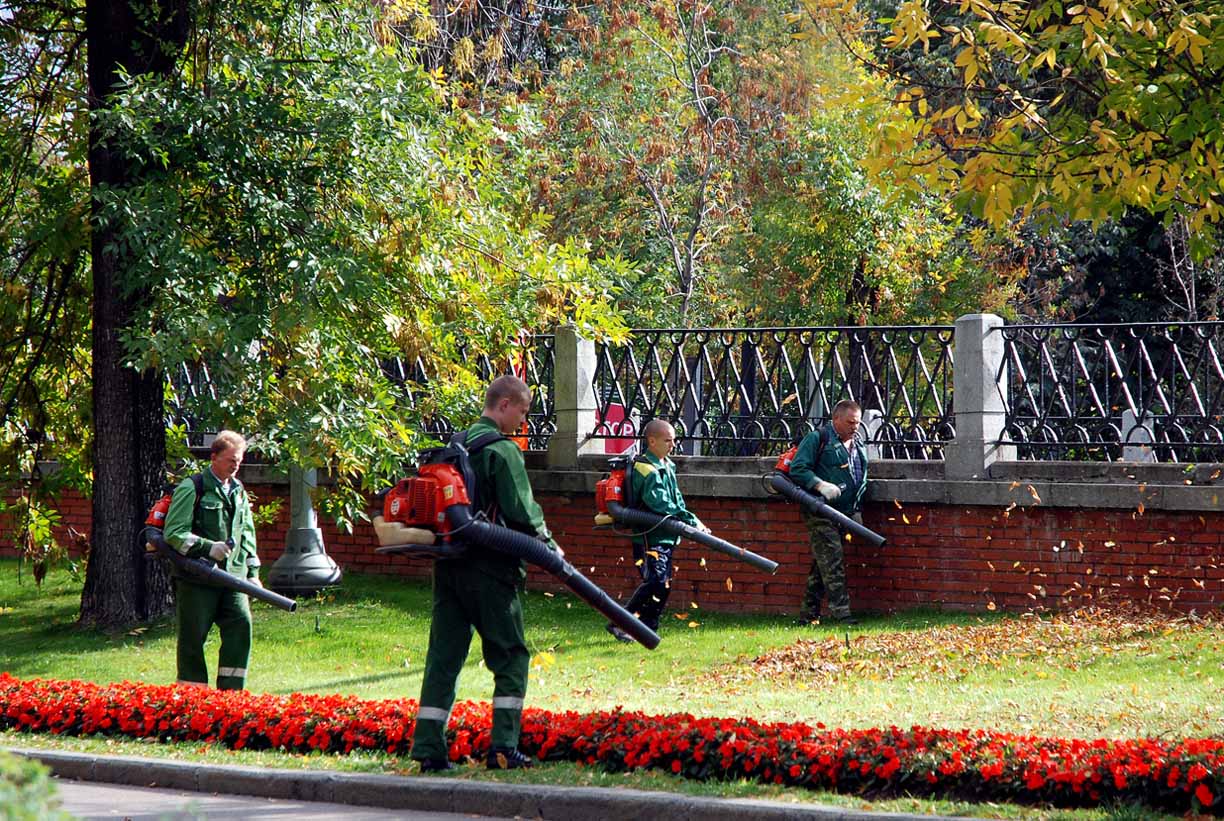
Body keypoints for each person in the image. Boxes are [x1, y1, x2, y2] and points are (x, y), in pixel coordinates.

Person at [410, 375, 560, 773]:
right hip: (492, 569)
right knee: (510, 655)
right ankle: (503, 747)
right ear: (505, 404)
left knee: (443, 656)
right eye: (523, 413)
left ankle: (428, 748)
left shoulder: (452, 446)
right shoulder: (502, 451)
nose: (522, 423)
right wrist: (549, 545)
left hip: (448, 564)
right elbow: (521, 512)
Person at [162, 430, 261, 689]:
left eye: (239, 460)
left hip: (234, 578)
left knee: (241, 625)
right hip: (198, 579)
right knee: (193, 638)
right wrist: (208, 548)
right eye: (231, 460)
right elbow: (173, 533)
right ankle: (192, 695)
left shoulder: (238, 490)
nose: (236, 465)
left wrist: (253, 573)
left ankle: (231, 694)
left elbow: (247, 533)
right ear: (214, 457)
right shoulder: (192, 487)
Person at [606, 419, 709, 643]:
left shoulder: (667, 465)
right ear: (652, 441)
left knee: (662, 585)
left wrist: (692, 520)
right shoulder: (646, 469)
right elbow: (660, 504)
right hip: (649, 535)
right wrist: (689, 520)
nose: (672, 444)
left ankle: (647, 628)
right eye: (668, 440)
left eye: (673, 440)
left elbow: (676, 499)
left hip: (666, 535)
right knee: (655, 582)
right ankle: (619, 623)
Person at [789, 399, 868, 626]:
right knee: (833, 561)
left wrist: (857, 509)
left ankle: (807, 615)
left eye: (858, 422)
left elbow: (860, 478)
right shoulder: (818, 438)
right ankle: (842, 614)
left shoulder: (858, 445)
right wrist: (819, 485)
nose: (855, 427)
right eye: (850, 422)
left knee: (823, 563)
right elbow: (798, 468)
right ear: (836, 419)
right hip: (821, 511)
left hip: (845, 512)